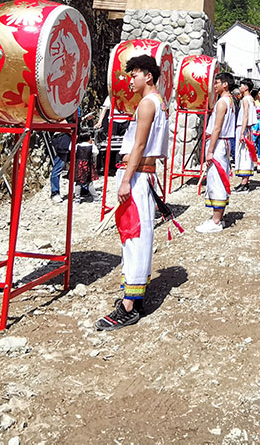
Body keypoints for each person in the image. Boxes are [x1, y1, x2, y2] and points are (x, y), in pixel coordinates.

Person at [95, 54, 169, 330]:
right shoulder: (158, 102)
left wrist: (126, 179)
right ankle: (133, 297)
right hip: (141, 174)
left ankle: (129, 305)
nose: (130, 80)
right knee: (135, 233)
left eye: (134, 74)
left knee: (135, 234)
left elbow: (138, 146)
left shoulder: (148, 104)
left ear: (148, 76)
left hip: (137, 175)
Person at [198, 71, 236, 231]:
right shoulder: (230, 101)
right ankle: (217, 216)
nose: (214, 85)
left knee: (217, 179)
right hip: (223, 143)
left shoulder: (222, 103)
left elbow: (217, 128)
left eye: (217, 82)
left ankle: (216, 221)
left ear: (225, 84)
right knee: (219, 177)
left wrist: (210, 151)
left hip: (219, 143)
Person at [234, 78, 258, 191]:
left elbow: (246, 116)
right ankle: (244, 181)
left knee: (243, 153)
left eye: (242, 85)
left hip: (244, 128)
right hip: (248, 128)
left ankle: (244, 183)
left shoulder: (245, 99)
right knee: (246, 153)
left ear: (246, 87)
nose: (240, 87)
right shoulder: (251, 99)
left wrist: (242, 132)